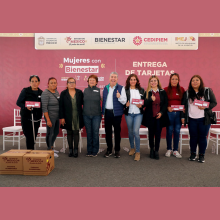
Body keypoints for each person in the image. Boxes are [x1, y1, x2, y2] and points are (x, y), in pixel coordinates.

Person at [181, 75, 217, 163]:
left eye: (197, 80)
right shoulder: (187, 93)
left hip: (204, 119)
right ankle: (193, 153)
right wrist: (182, 116)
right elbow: (183, 106)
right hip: (192, 119)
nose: (195, 82)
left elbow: (214, 102)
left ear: (200, 81)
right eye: (193, 80)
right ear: (190, 83)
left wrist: (205, 107)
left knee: (202, 137)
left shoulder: (207, 91)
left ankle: (201, 155)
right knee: (193, 137)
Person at [142, 75, 169, 160]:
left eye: (155, 81)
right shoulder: (147, 92)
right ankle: (151, 150)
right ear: (149, 82)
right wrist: (150, 99)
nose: (153, 82)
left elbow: (165, 104)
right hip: (150, 117)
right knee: (151, 134)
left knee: (158, 134)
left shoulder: (162, 91)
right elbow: (143, 104)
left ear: (157, 82)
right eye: (151, 81)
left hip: (159, 117)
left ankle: (156, 150)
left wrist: (161, 112)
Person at [102, 72, 126, 158]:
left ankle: (117, 150)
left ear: (117, 79)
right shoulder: (105, 88)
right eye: (112, 77)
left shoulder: (121, 88)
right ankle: (109, 149)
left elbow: (124, 101)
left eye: (115, 77)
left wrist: (119, 96)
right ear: (109, 78)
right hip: (107, 113)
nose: (113, 78)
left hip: (117, 113)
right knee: (107, 132)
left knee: (117, 132)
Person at [122, 74, 145, 161]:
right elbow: (122, 101)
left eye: (134, 79)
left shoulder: (141, 90)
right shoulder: (125, 90)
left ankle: (138, 152)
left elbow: (144, 102)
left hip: (138, 113)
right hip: (129, 113)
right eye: (131, 79)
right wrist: (125, 105)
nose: (132, 81)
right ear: (129, 81)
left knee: (136, 131)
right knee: (130, 131)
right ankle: (132, 148)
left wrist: (141, 106)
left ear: (137, 81)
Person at [59, 77, 84, 157]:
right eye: (70, 82)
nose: (71, 84)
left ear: (75, 84)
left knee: (76, 132)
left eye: (73, 82)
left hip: (77, 116)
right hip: (67, 116)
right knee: (69, 132)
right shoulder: (63, 93)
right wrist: (62, 117)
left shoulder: (80, 92)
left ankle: (76, 149)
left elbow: (84, 103)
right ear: (67, 84)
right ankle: (70, 149)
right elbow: (61, 106)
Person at [16, 75, 42, 150]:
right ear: (30, 82)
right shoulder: (25, 91)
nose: (34, 83)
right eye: (32, 81)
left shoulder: (41, 92)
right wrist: (25, 106)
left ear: (39, 82)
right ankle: (30, 153)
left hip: (37, 118)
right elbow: (18, 102)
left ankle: (31, 151)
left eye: (36, 81)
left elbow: (42, 104)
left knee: (34, 136)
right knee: (29, 136)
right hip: (26, 117)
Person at [164, 73, 185, 158]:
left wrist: (184, 111)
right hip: (169, 113)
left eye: (176, 79)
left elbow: (184, 101)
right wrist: (167, 107)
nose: (174, 81)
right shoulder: (165, 89)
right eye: (173, 79)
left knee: (177, 131)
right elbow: (163, 102)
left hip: (179, 113)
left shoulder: (182, 89)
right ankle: (169, 149)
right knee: (169, 131)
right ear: (170, 80)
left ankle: (175, 150)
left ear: (178, 80)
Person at [83, 75, 102, 157]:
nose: (92, 81)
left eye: (93, 80)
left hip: (96, 115)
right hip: (86, 115)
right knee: (89, 133)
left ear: (96, 82)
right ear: (88, 81)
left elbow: (104, 102)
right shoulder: (84, 90)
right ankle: (89, 150)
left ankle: (95, 150)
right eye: (90, 80)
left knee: (95, 132)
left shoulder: (99, 91)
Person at [41, 77, 60, 158]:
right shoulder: (45, 93)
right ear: (48, 84)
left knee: (55, 132)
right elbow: (44, 107)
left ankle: (51, 147)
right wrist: (48, 120)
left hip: (57, 116)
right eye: (51, 83)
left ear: (57, 84)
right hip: (50, 116)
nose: (53, 84)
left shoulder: (56, 92)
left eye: (55, 83)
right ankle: (49, 150)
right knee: (50, 133)